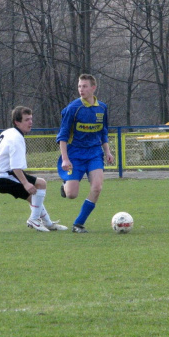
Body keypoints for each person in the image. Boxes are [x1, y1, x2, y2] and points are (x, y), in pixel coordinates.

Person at [0, 106, 68, 232]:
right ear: (17, 122)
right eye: (26, 120)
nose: (30, 122)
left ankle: (48, 223)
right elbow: (15, 167)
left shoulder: (9, 132)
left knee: (34, 199)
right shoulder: (16, 139)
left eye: (31, 119)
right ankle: (34, 220)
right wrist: (25, 183)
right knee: (41, 184)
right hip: (4, 177)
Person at [57, 74, 114, 233]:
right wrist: (65, 158)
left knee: (97, 187)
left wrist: (107, 152)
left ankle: (78, 224)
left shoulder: (102, 108)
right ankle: (65, 184)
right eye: (79, 86)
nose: (81, 89)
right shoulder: (73, 108)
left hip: (94, 154)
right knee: (71, 194)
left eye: (84, 86)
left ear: (93, 88)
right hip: (74, 155)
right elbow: (62, 136)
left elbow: (103, 131)